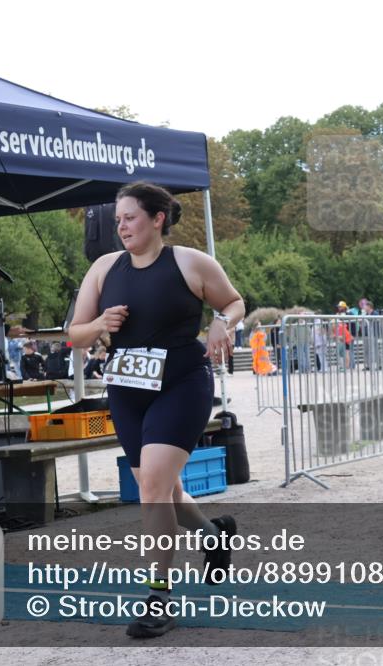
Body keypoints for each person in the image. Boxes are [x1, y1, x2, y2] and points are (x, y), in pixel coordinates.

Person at [67, 181, 244, 639]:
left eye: (130, 217)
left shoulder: (190, 262)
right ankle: (214, 534)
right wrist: (98, 324)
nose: (121, 227)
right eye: (118, 220)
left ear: (157, 218)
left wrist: (221, 323)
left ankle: (159, 598)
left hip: (182, 384)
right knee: (160, 488)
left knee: (152, 489)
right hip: (127, 389)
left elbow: (234, 302)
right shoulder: (104, 268)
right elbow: (75, 334)